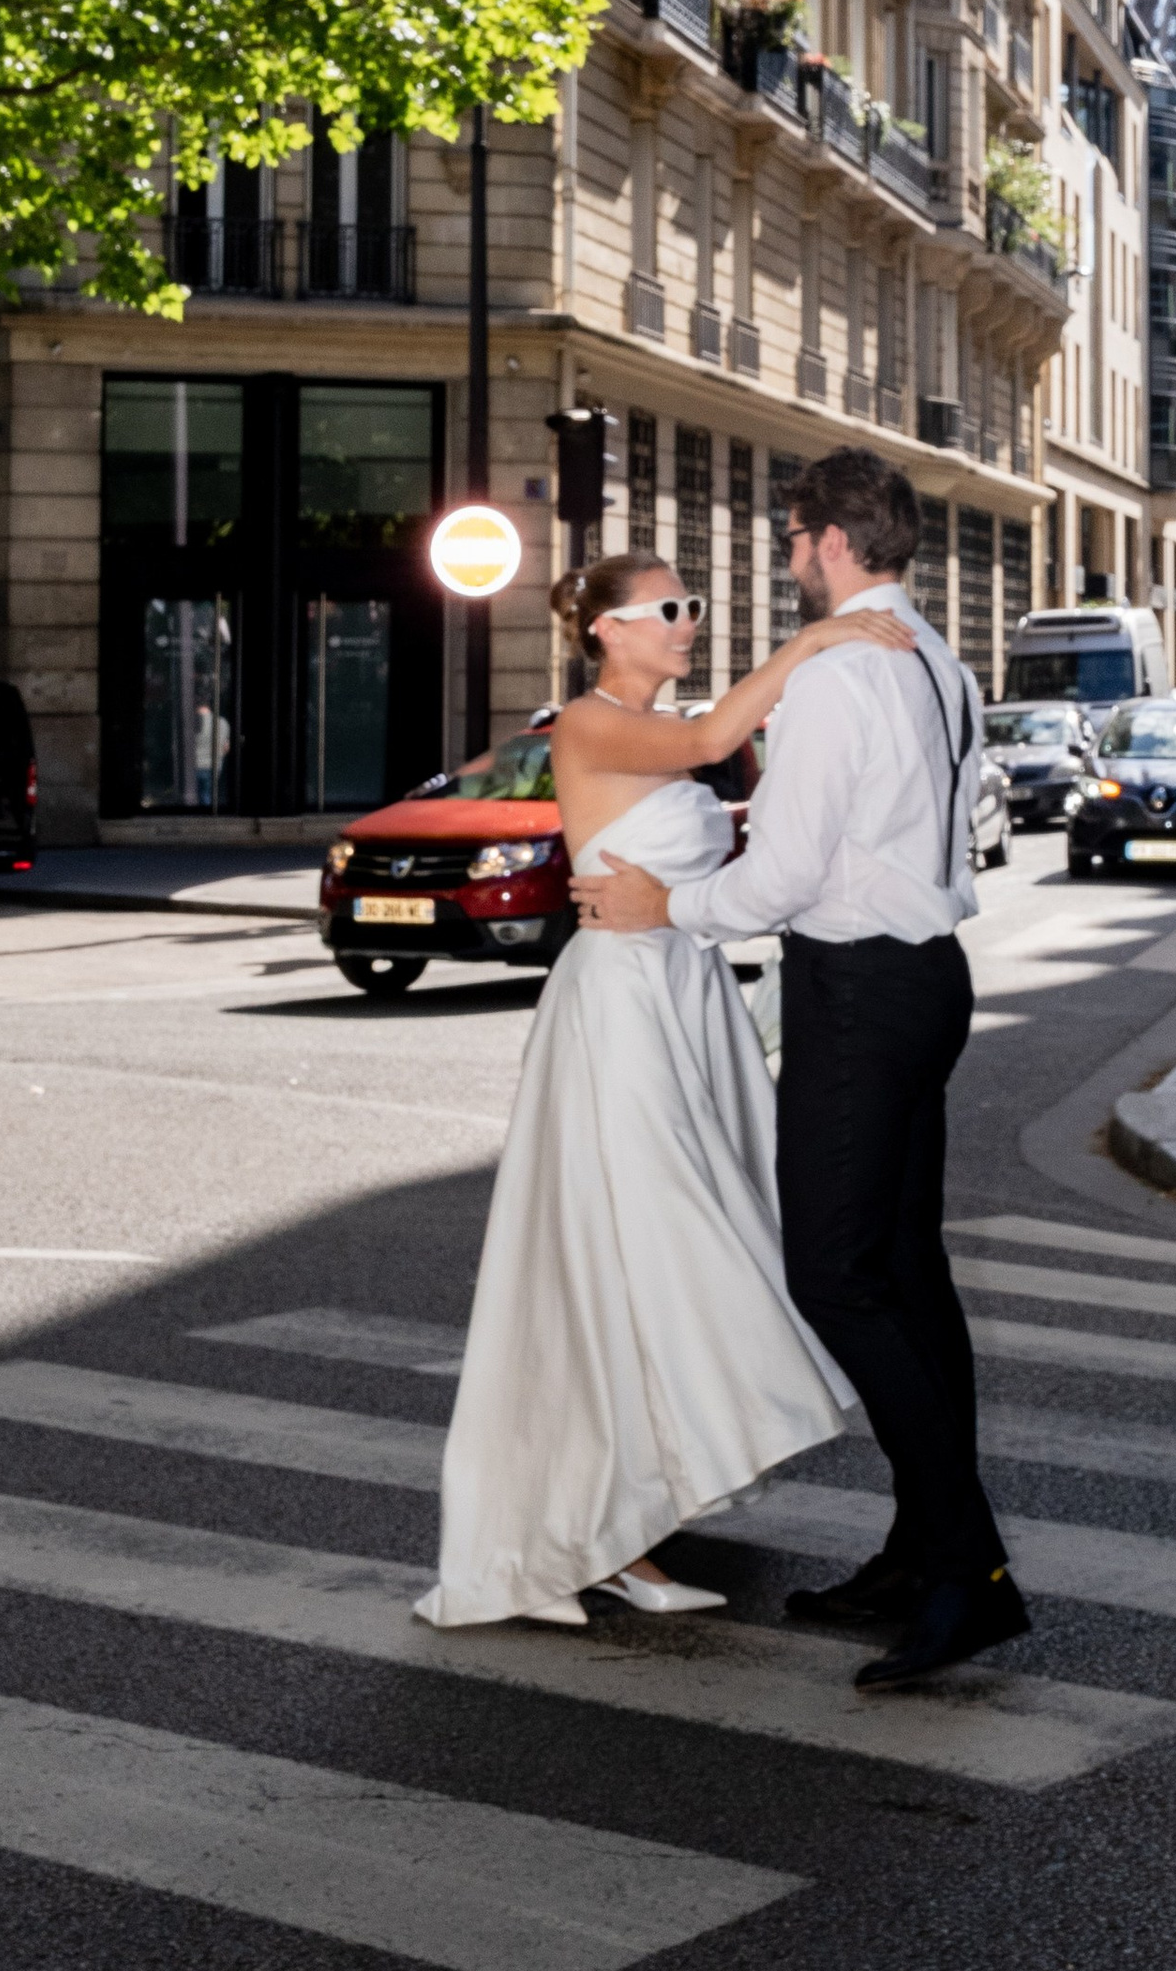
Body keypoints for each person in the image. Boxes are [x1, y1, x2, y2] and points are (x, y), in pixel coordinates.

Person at [580, 447, 1027, 1691]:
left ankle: (965, 1569)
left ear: (832, 540)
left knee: (834, 1276)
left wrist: (666, 906)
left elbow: (780, 879)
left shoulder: (835, 682)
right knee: (907, 1273)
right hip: (929, 979)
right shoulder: (935, 656)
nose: (786, 560)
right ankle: (917, 1550)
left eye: (790, 539)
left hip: (860, 993)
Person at [414, 554, 916, 1634]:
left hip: (683, 996)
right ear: (606, 630)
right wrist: (819, 638)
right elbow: (704, 744)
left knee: (647, 1257)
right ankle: (592, 1532)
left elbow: (731, 799)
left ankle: (624, 1531)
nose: (690, 623)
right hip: (621, 1011)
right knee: (652, 1243)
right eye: (670, 610)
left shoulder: (662, 722)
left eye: (693, 606)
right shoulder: (590, 724)